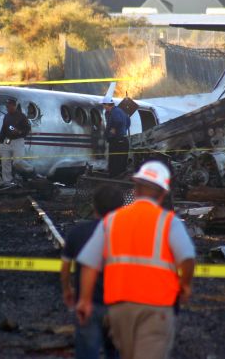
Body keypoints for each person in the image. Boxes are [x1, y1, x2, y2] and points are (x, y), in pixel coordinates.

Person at [76, 161, 196, 359]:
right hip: (157, 307)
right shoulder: (169, 222)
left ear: (136, 188)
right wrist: (185, 285)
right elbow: (187, 258)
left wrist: (85, 300)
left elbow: (89, 263)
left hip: (119, 309)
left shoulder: (112, 220)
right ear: (163, 193)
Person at [61, 185, 123, 359]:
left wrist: (67, 290)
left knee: (87, 352)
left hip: (89, 304)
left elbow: (65, 267)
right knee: (116, 351)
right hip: (119, 304)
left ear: (94, 206)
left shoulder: (78, 232)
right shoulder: (128, 233)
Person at [0, 99, 31, 185]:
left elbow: (28, 129)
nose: (7, 108)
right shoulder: (6, 117)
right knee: (5, 160)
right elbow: (3, 131)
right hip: (8, 139)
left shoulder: (22, 116)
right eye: (6, 106)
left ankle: (30, 170)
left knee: (17, 162)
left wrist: (19, 131)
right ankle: (7, 181)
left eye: (9, 106)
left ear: (14, 106)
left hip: (18, 140)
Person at [101, 97, 130, 178]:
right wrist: (124, 130)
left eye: (104, 104)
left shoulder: (115, 112)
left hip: (117, 141)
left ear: (107, 105)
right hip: (122, 140)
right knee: (120, 163)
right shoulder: (119, 111)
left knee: (115, 162)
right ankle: (119, 178)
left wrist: (114, 129)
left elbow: (118, 121)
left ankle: (114, 180)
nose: (103, 106)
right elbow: (128, 121)